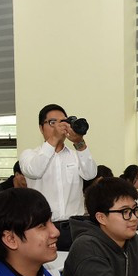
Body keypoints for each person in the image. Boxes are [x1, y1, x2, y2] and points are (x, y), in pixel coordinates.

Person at [19, 103, 97, 251]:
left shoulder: (75, 155)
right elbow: (34, 171)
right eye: (52, 122)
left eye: (63, 122)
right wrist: (54, 139)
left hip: (76, 226)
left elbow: (90, 174)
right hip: (43, 228)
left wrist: (79, 142)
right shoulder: (29, 155)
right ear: (41, 128)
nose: (59, 126)